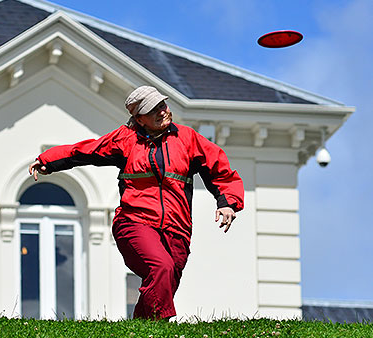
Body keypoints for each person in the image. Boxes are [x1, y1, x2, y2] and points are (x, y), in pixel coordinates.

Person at [29, 86, 244, 320]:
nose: (162, 112)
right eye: (153, 110)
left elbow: (219, 169)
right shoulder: (125, 140)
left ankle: (142, 333)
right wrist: (48, 161)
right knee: (160, 268)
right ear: (139, 119)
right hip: (135, 222)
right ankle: (157, 333)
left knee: (166, 282)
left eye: (163, 105)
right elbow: (87, 150)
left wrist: (227, 202)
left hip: (178, 229)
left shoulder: (187, 138)